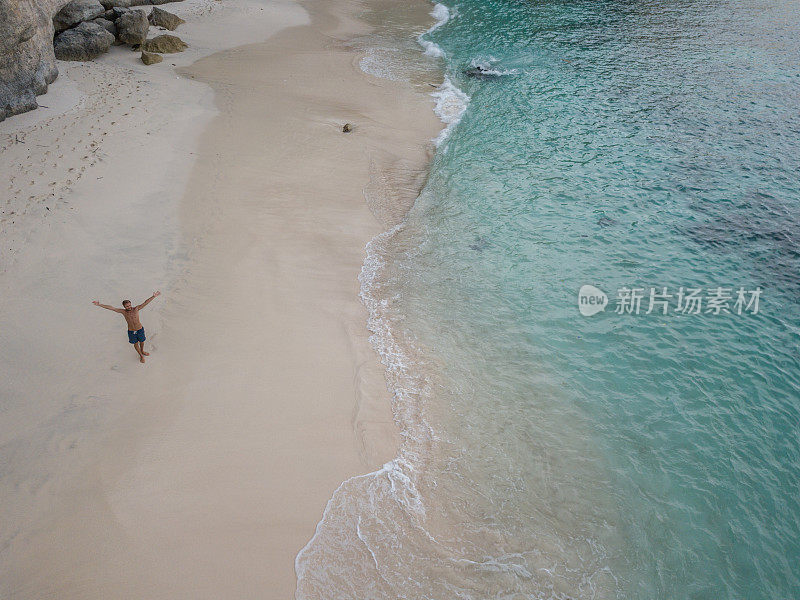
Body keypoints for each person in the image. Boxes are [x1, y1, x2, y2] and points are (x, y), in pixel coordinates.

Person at [92, 291, 161, 363]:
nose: (129, 307)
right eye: (127, 306)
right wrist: (99, 304)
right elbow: (112, 308)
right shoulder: (123, 312)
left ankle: (142, 350)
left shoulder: (136, 309)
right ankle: (141, 355)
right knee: (135, 343)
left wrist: (153, 296)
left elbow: (145, 303)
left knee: (142, 341)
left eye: (129, 305)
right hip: (131, 331)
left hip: (140, 329)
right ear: (124, 307)